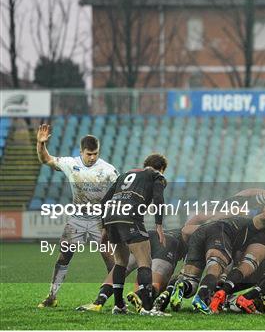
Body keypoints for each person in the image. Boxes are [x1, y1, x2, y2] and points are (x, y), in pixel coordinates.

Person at [36, 125, 117, 308]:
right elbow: (46, 159)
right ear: (81, 152)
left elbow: (119, 193)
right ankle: (52, 296)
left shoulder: (108, 170)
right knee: (64, 256)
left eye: (95, 153)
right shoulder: (71, 163)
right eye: (89, 154)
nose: (92, 157)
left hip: (100, 220)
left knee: (111, 260)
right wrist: (41, 144)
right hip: (77, 219)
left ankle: (116, 300)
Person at [101, 153, 169, 316]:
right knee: (144, 260)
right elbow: (158, 199)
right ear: (162, 169)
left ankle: (118, 305)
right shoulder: (156, 176)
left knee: (121, 261)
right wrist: (159, 225)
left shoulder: (125, 174)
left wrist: (104, 227)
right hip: (130, 216)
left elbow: (104, 201)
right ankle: (147, 308)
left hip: (111, 217)